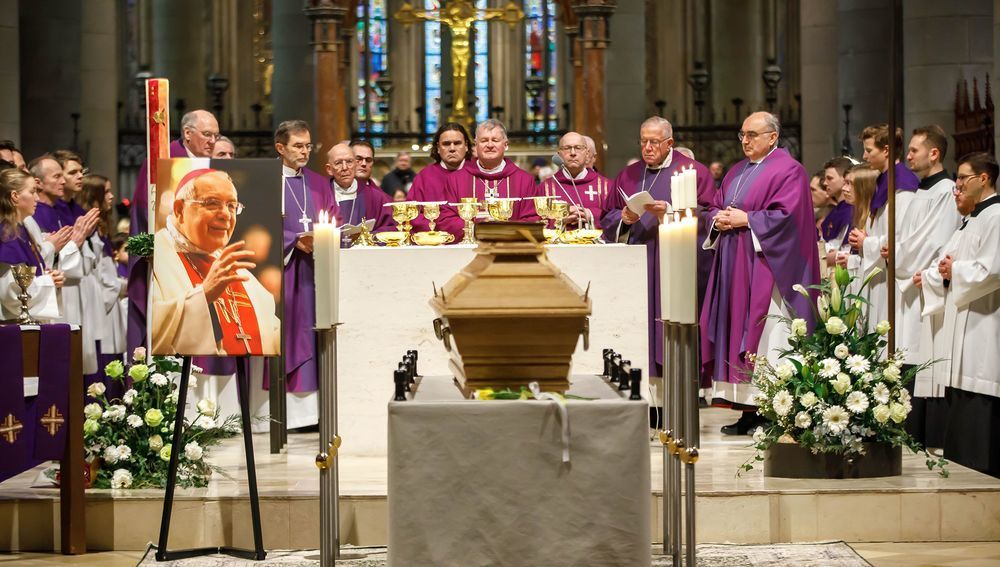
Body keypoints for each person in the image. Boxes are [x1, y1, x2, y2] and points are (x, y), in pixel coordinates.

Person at [700, 111, 819, 435]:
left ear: (772, 137)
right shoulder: (736, 172)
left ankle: (772, 412)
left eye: (752, 134)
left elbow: (788, 219)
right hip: (735, 267)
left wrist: (747, 221)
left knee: (766, 337)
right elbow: (715, 205)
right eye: (742, 135)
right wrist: (719, 219)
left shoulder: (789, 171)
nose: (745, 141)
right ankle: (747, 410)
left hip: (768, 271)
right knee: (737, 334)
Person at [600, 116, 714, 383]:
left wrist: (672, 213)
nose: (647, 148)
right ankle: (646, 393)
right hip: (638, 266)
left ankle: (680, 390)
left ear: (670, 142)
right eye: (643, 142)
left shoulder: (694, 172)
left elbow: (710, 215)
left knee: (671, 325)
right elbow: (607, 215)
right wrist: (623, 219)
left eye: (654, 142)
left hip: (675, 264)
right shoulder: (628, 175)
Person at [918, 152, 1000, 477]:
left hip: (984, 323)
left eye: (964, 177)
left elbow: (992, 270)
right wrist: (942, 271)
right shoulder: (972, 219)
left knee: (978, 388)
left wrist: (956, 270)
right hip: (963, 321)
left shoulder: (995, 216)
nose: (958, 184)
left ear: (984, 178)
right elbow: (948, 262)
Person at [151, 169, 279, 356]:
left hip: (240, 379)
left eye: (232, 206)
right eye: (212, 203)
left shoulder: (237, 271)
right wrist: (203, 295)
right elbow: (147, 333)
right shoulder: (154, 256)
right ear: (179, 210)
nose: (226, 215)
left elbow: (272, 334)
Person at [128, 109, 220, 355]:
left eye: (216, 136)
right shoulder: (162, 160)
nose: (213, 141)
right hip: (172, 260)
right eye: (207, 134)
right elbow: (144, 213)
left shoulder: (215, 164)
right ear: (188, 134)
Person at [896, 126, 963, 446]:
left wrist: (898, 258)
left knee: (922, 353)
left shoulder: (946, 191)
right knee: (907, 350)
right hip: (911, 280)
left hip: (925, 284)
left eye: (914, 150)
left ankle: (922, 429)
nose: (908, 156)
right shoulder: (923, 189)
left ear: (933, 153)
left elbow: (934, 241)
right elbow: (909, 237)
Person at [274, 120, 335, 424]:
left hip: (314, 273)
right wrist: (292, 241)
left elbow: (332, 218)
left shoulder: (319, 182)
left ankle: (312, 415)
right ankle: (285, 415)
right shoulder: (267, 180)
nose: (305, 151)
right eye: (298, 145)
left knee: (313, 335)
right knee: (288, 336)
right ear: (280, 147)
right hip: (282, 275)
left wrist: (324, 237)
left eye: (308, 145)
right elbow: (256, 226)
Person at [848, 123, 919, 326]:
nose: (864, 156)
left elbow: (901, 238)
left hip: (893, 276)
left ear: (886, 150)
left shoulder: (901, 187)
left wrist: (866, 242)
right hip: (879, 270)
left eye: (869, 150)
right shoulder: (884, 181)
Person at [436, 119, 542, 241]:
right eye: (484, 140)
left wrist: (506, 233)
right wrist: (477, 231)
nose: (490, 145)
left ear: (506, 145)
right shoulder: (455, 180)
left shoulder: (524, 180)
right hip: (467, 251)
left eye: (495, 140)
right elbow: (445, 218)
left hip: (511, 248)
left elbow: (532, 218)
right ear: (476, 145)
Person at [0, 168, 64, 322]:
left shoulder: (21, 230)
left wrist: (50, 276)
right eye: (32, 191)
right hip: (12, 323)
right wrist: (49, 281)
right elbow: (11, 293)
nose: (37, 198)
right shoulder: (7, 235)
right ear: (15, 196)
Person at [408, 122, 473, 233]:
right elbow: (412, 214)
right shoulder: (424, 176)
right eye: (446, 144)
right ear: (438, 147)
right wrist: (438, 231)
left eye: (457, 143)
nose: (452, 148)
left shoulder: (476, 173)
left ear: (466, 146)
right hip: (433, 242)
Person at [541, 131, 611, 230]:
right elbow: (536, 222)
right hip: (559, 245)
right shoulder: (545, 187)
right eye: (567, 148)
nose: (573, 153)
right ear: (559, 154)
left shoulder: (606, 186)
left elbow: (616, 218)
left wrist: (591, 215)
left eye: (578, 148)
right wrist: (559, 220)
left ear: (587, 153)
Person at [325, 143, 394, 235]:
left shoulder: (376, 197)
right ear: (329, 169)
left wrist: (369, 238)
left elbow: (390, 228)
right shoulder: (319, 195)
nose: (345, 168)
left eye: (349, 162)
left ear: (354, 164)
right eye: (338, 163)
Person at [820, 157, 855, 268]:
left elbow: (842, 249)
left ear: (844, 179)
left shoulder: (851, 210)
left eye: (830, 178)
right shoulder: (835, 211)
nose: (825, 183)